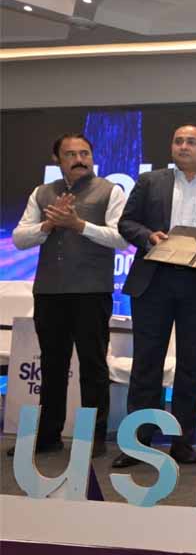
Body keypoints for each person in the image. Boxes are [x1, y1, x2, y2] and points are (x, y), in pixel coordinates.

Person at [113, 124, 196, 467]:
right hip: (153, 281)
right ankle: (137, 443)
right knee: (146, 364)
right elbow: (126, 223)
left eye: (192, 142)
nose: (184, 146)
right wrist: (148, 236)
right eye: (178, 141)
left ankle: (182, 442)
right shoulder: (149, 182)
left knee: (191, 366)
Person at [9, 133, 128, 458]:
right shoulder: (42, 193)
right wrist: (47, 226)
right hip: (49, 291)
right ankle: (49, 435)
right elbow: (19, 238)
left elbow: (121, 238)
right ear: (57, 159)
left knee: (93, 366)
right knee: (51, 365)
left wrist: (78, 224)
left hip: (91, 291)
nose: (79, 159)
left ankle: (93, 438)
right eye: (71, 154)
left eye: (85, 153)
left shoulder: (111, 190)